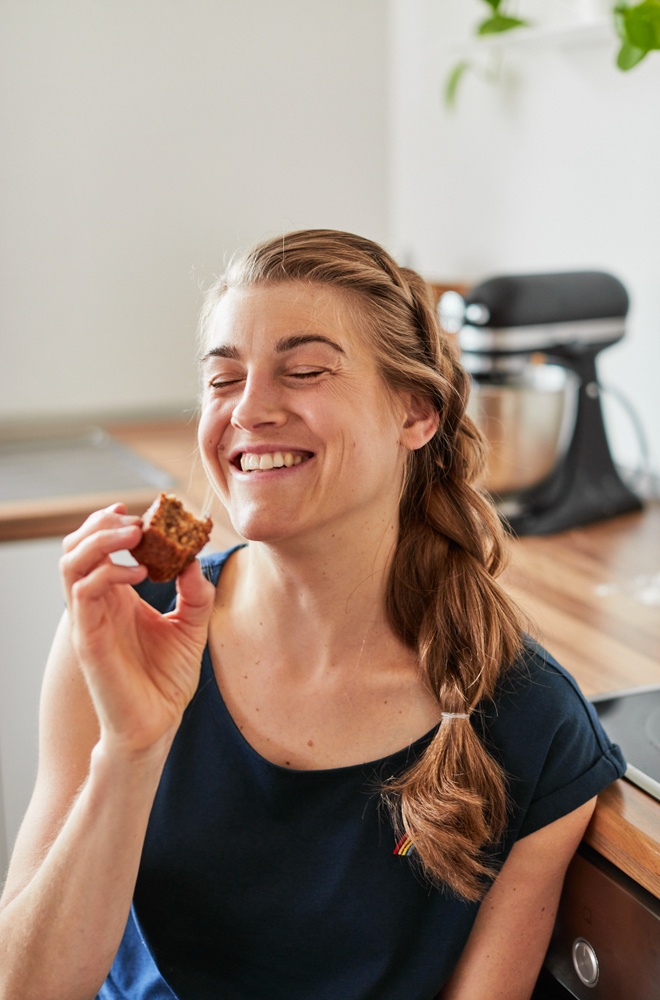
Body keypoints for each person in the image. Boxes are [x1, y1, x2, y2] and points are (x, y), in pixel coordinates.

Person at [0, 230, 625, 1000]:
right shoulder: (127, 627)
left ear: (416, 412)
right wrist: (129, 751)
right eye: (222, 380)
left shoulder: (532, 723)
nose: (249, 410)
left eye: (302, 371)